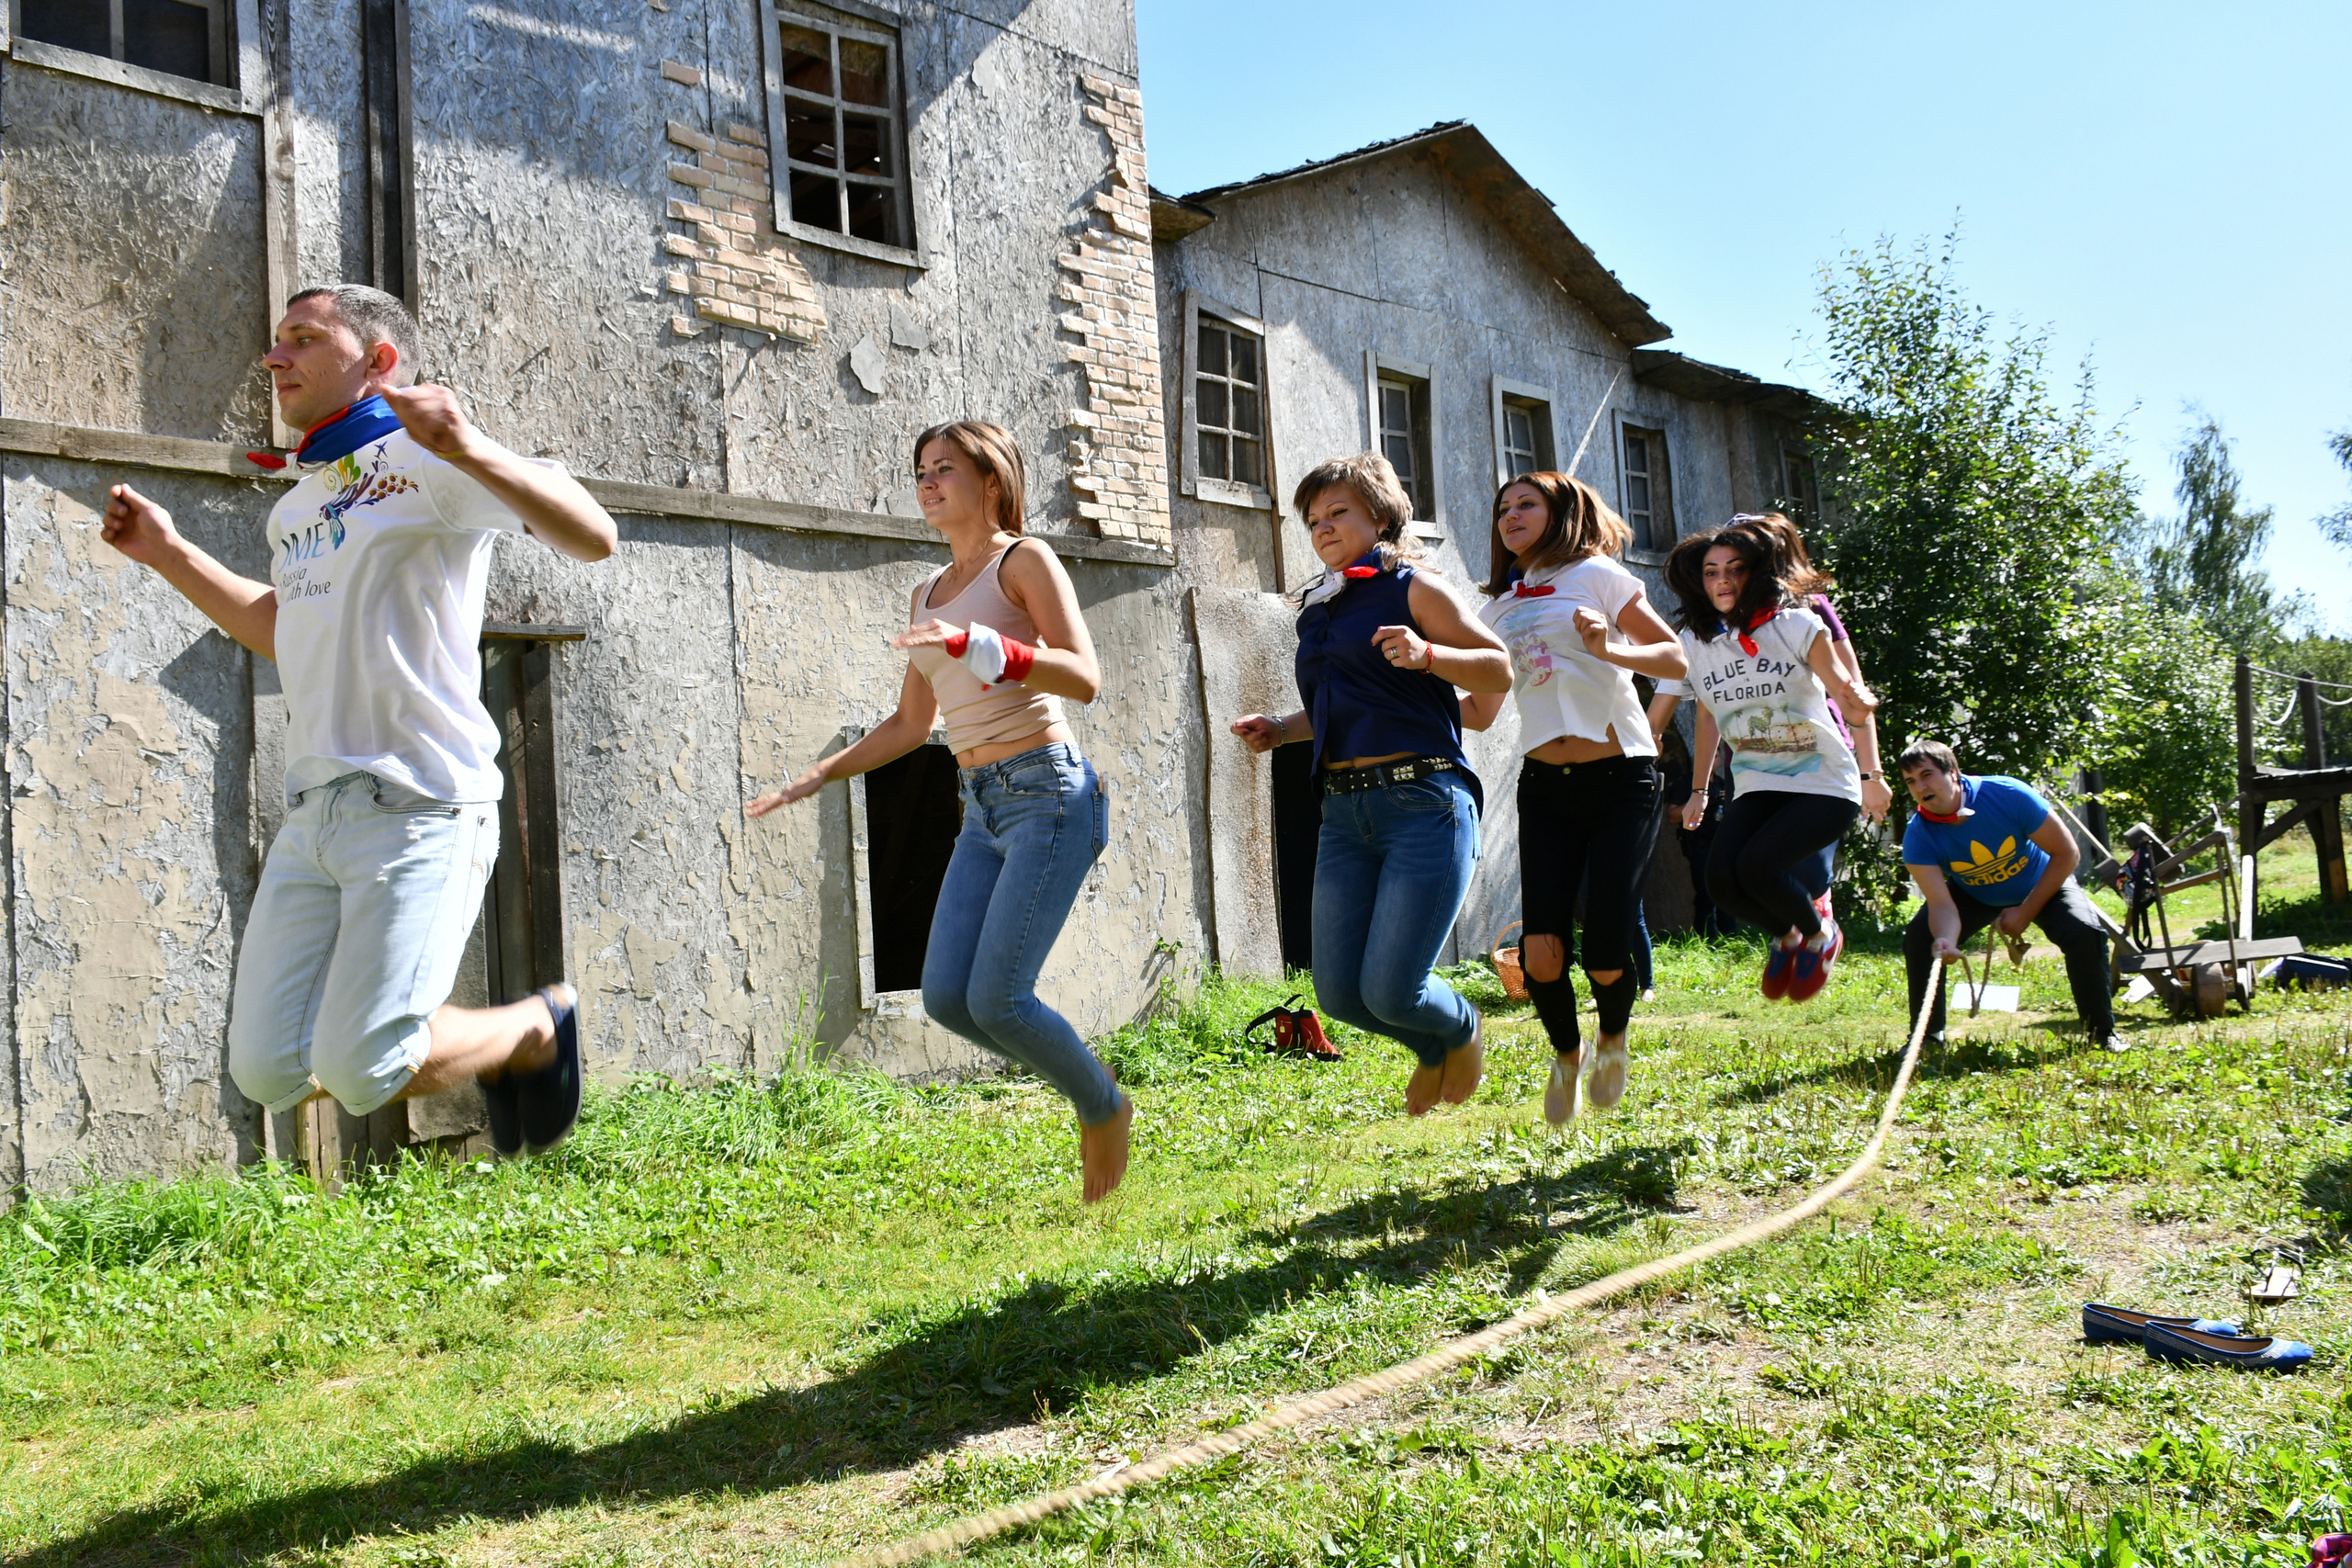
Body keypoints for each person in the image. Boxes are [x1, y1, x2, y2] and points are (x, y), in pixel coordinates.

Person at [99, 284, 617, 1156]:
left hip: (420, 800)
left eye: (303, 338)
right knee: (268, 1068)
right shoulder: (300, 504)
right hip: (317, 810)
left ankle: (534, 1026)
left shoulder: (433, 462)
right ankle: (478, 1036)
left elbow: (594, 534)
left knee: (365, 1063)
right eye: (276, 341)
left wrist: (469, 444)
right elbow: (281, 628)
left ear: (377, 361)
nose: (274, 358)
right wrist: (168, 552)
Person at [746, 422, 1132, 1201]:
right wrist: (820, 773)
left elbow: (1084, 677)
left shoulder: (1024, 560)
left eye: (944, 468)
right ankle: (1098, 1097)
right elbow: (910, 726)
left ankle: (1103, 1104)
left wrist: (989, 647)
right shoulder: (925, 592)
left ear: (990, 480)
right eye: (919, 469)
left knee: (998, 997)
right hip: (981, 807)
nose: (926, 482)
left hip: (1049, 793)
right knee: (950, 997)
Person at [1231, 454, 1511, 1116]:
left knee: (1392, 989)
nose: (1323, 528)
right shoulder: (1317, 612)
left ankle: (1457, 1030)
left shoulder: (1413, 588)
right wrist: (1279, 726)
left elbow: (1498, 668)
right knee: (1340, 995)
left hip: (1425, 804)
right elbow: (1339, 708)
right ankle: (1434, 1048)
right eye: (1313, 520)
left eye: (1338, 513)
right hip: (1343, 814)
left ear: (1379, 517)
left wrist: (1430, 654)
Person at [1459, 473, 1687, 1125]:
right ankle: (1567, 1050)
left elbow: (1672, 660)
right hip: (1544, 785)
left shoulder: (1598, 575)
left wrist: (1609, 645)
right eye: (1502, 507)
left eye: (1527, 503)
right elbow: (1480, 710)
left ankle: (1612, 1037)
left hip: (1621, 777)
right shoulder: (1497, 608)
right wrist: (1421, 680)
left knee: (1608, 944)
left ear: (1562, 512)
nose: (1511, 515)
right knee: (1540, 951)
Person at [1657, 522, 1888, 1000]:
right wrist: (1700, 791)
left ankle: (1821, 936)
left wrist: (1868, 751)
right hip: (1758, 783)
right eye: (1711, 572)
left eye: (1735, 570)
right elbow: (1707, 719)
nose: (1723, 580)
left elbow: (1847, 695)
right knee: (1721, 880)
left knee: (1762, 865)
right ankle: (1788, 936)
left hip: (1822, 782)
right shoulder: (1697, 643)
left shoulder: (1799, 625)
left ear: (1757, 574)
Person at [1897, 739, 2122, 1052]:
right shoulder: (1918, 835)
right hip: (1974, 893)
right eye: (1911, 781)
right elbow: (1941, 904)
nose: (1920, 787)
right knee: (1920, 939)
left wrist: (2026, 912)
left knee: (2083, 932)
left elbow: (2066, 853)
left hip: (2042, 882)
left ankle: (2102, 1033)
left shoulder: (2008, 795)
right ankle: (1928, 1037)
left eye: (1927, 775)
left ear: (1953, 773)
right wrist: (1946, 940)